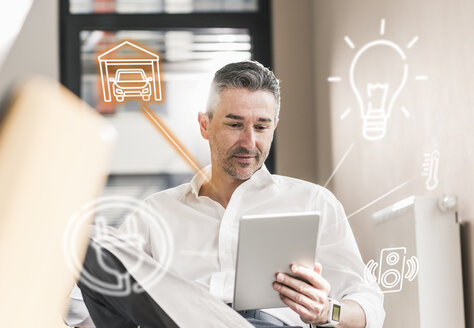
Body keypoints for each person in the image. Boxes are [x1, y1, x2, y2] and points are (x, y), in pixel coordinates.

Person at [67, 61, 385, 328]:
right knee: (90, 243)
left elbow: (370, 305)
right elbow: (90, 303)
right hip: (183, 322)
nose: (249, 142)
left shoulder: (314, 202)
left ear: (274, 125)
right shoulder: (158, 212)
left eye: (261, 127)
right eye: (235, 125)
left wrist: (327, 311)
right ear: (205, 125)